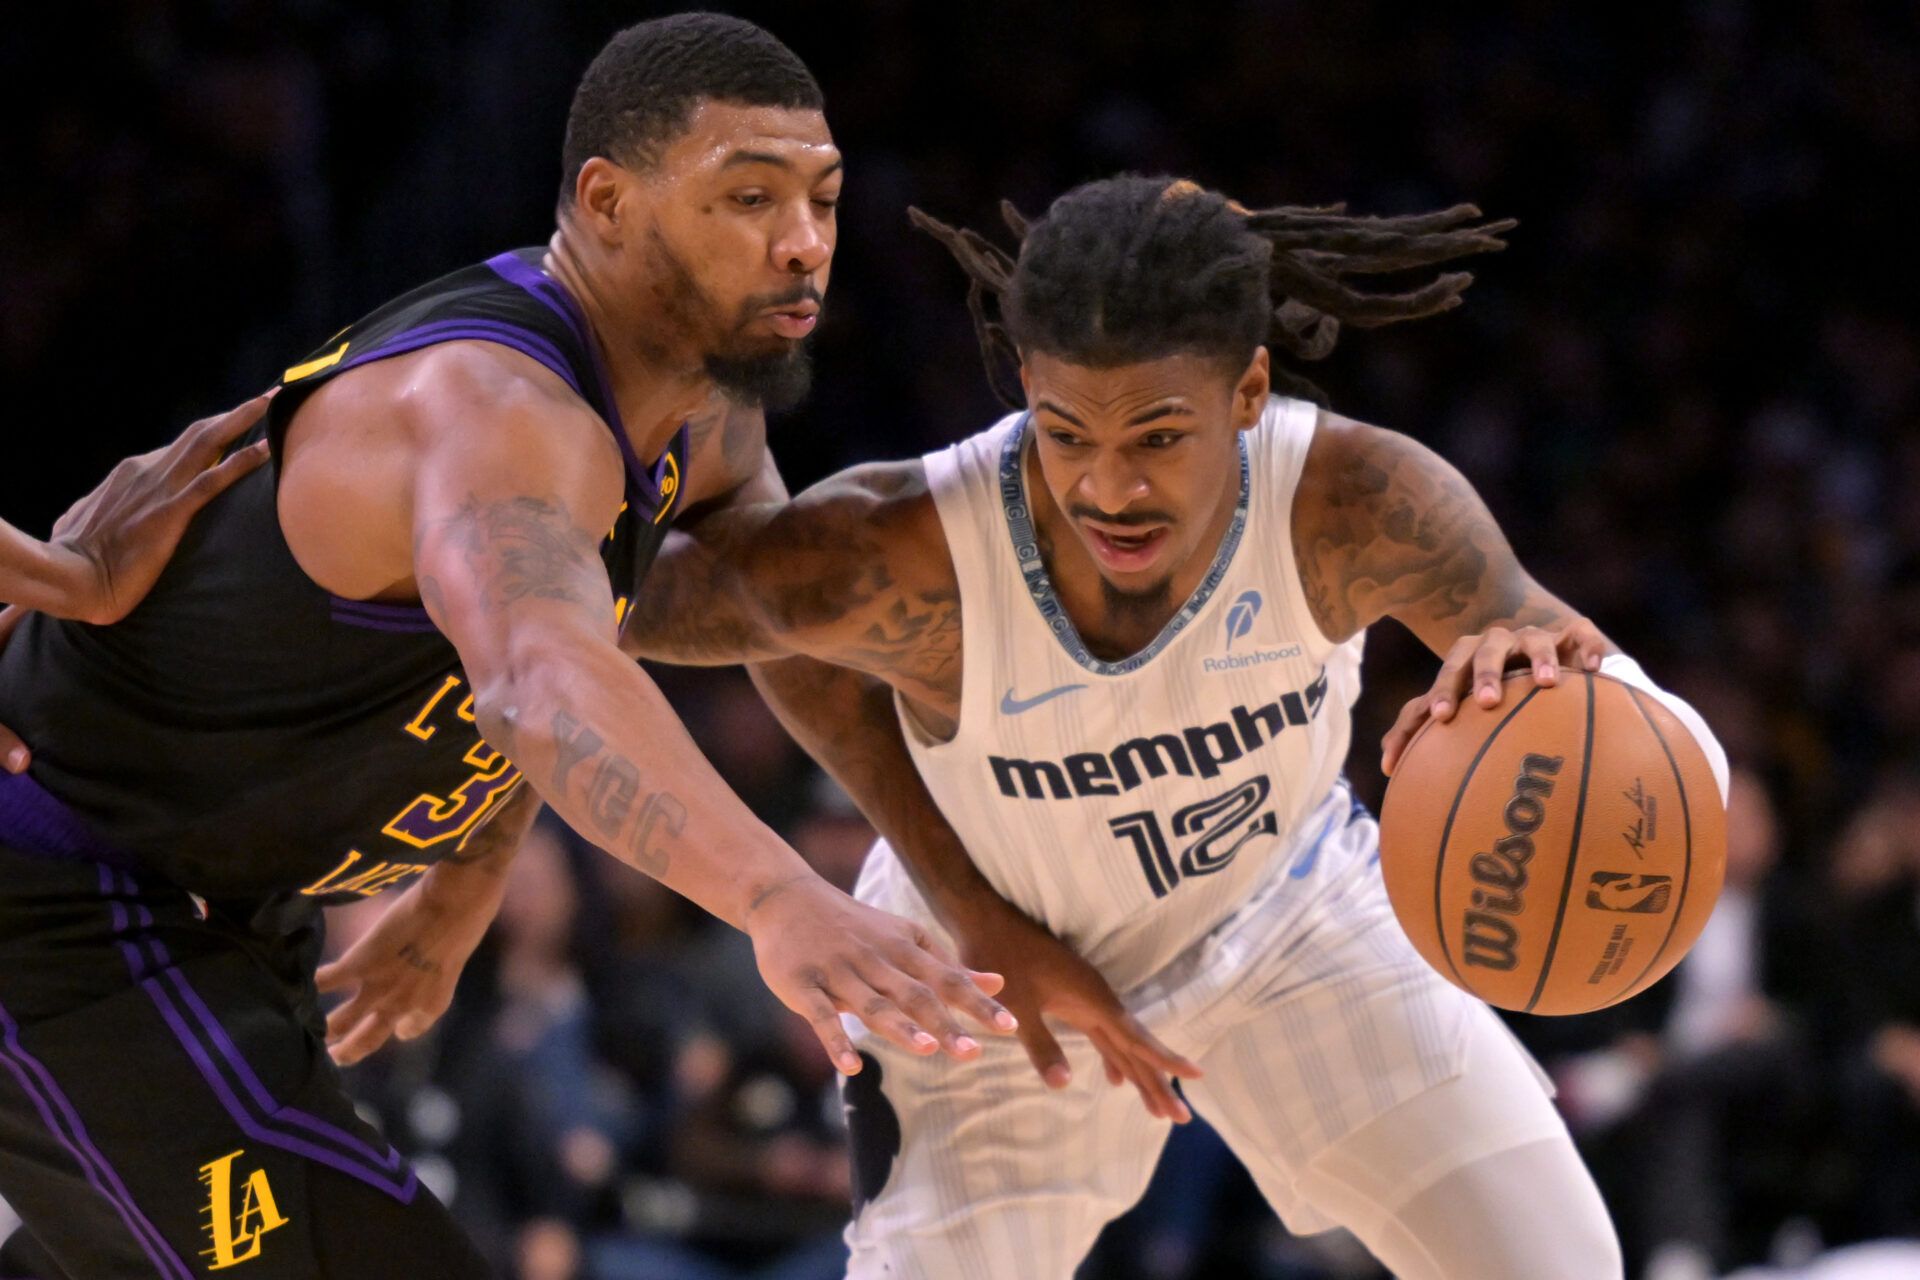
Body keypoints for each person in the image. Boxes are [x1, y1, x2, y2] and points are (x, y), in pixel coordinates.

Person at [0, 15, 1014, 1278]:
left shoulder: (694, 425)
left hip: (213, 909)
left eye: (822, 198)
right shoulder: (491, 406)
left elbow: (744, 625)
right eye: (748, 197)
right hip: (55, 890)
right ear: (605, 202)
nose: (802, 242)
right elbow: (541, 682)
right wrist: (774, 894)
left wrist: (459, 897)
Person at [620, 175, 1733, 1278]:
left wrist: (1582, 680)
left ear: (1248, 390)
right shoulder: (904, 549)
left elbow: (1637, 716)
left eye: (1157, 437)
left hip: (1291, 915)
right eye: (1067, 433)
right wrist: (973, 909)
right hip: (992, 973)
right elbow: (703, 615)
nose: (1109, 488)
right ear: (1024, 387)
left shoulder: (1353, 500)